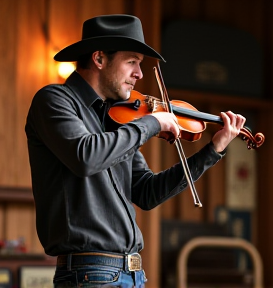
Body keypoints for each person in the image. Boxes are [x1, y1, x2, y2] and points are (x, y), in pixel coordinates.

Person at [25, 14, 246, 288]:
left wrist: (213, 149)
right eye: (132, 62)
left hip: (132, 274)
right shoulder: (55, 100)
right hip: (90, 274)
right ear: (99, 59)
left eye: (140, 65)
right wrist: (151, 123)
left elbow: (147, 192)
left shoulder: (114, 118)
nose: (139, 74)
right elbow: (84, 156)